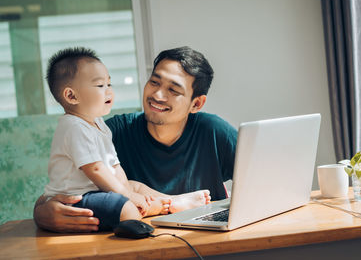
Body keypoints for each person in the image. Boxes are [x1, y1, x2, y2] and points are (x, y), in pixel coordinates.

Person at [34, 46, 238, 232]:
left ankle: (171, 202)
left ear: (196, 104)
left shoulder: (214, 131)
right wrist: (41, 213)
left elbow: (264, 178)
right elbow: (62, 187)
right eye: (154, 82)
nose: (157, 95)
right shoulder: (114, 130)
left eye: (173, 90)